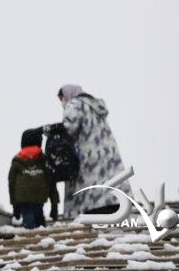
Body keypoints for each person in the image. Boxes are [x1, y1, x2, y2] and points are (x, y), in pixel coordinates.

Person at [46, 84, 131, 217]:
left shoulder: (74, 103)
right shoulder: (95, 107)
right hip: (108, 157)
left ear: (68, 94)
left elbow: (69, 127)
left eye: (62, 98)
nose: (62, 102)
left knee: (93, 196)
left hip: (88, 157)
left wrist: (47, 130)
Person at [8, 128, 59, 229]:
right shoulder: (44, 159)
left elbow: (11, 183)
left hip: (23, 197)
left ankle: (30, 234)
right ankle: (42, 234)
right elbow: (52, 181)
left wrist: (14, 205)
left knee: (28, 220)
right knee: (39, 216)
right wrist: (54, 205)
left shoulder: (17, 159)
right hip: (40, 195)